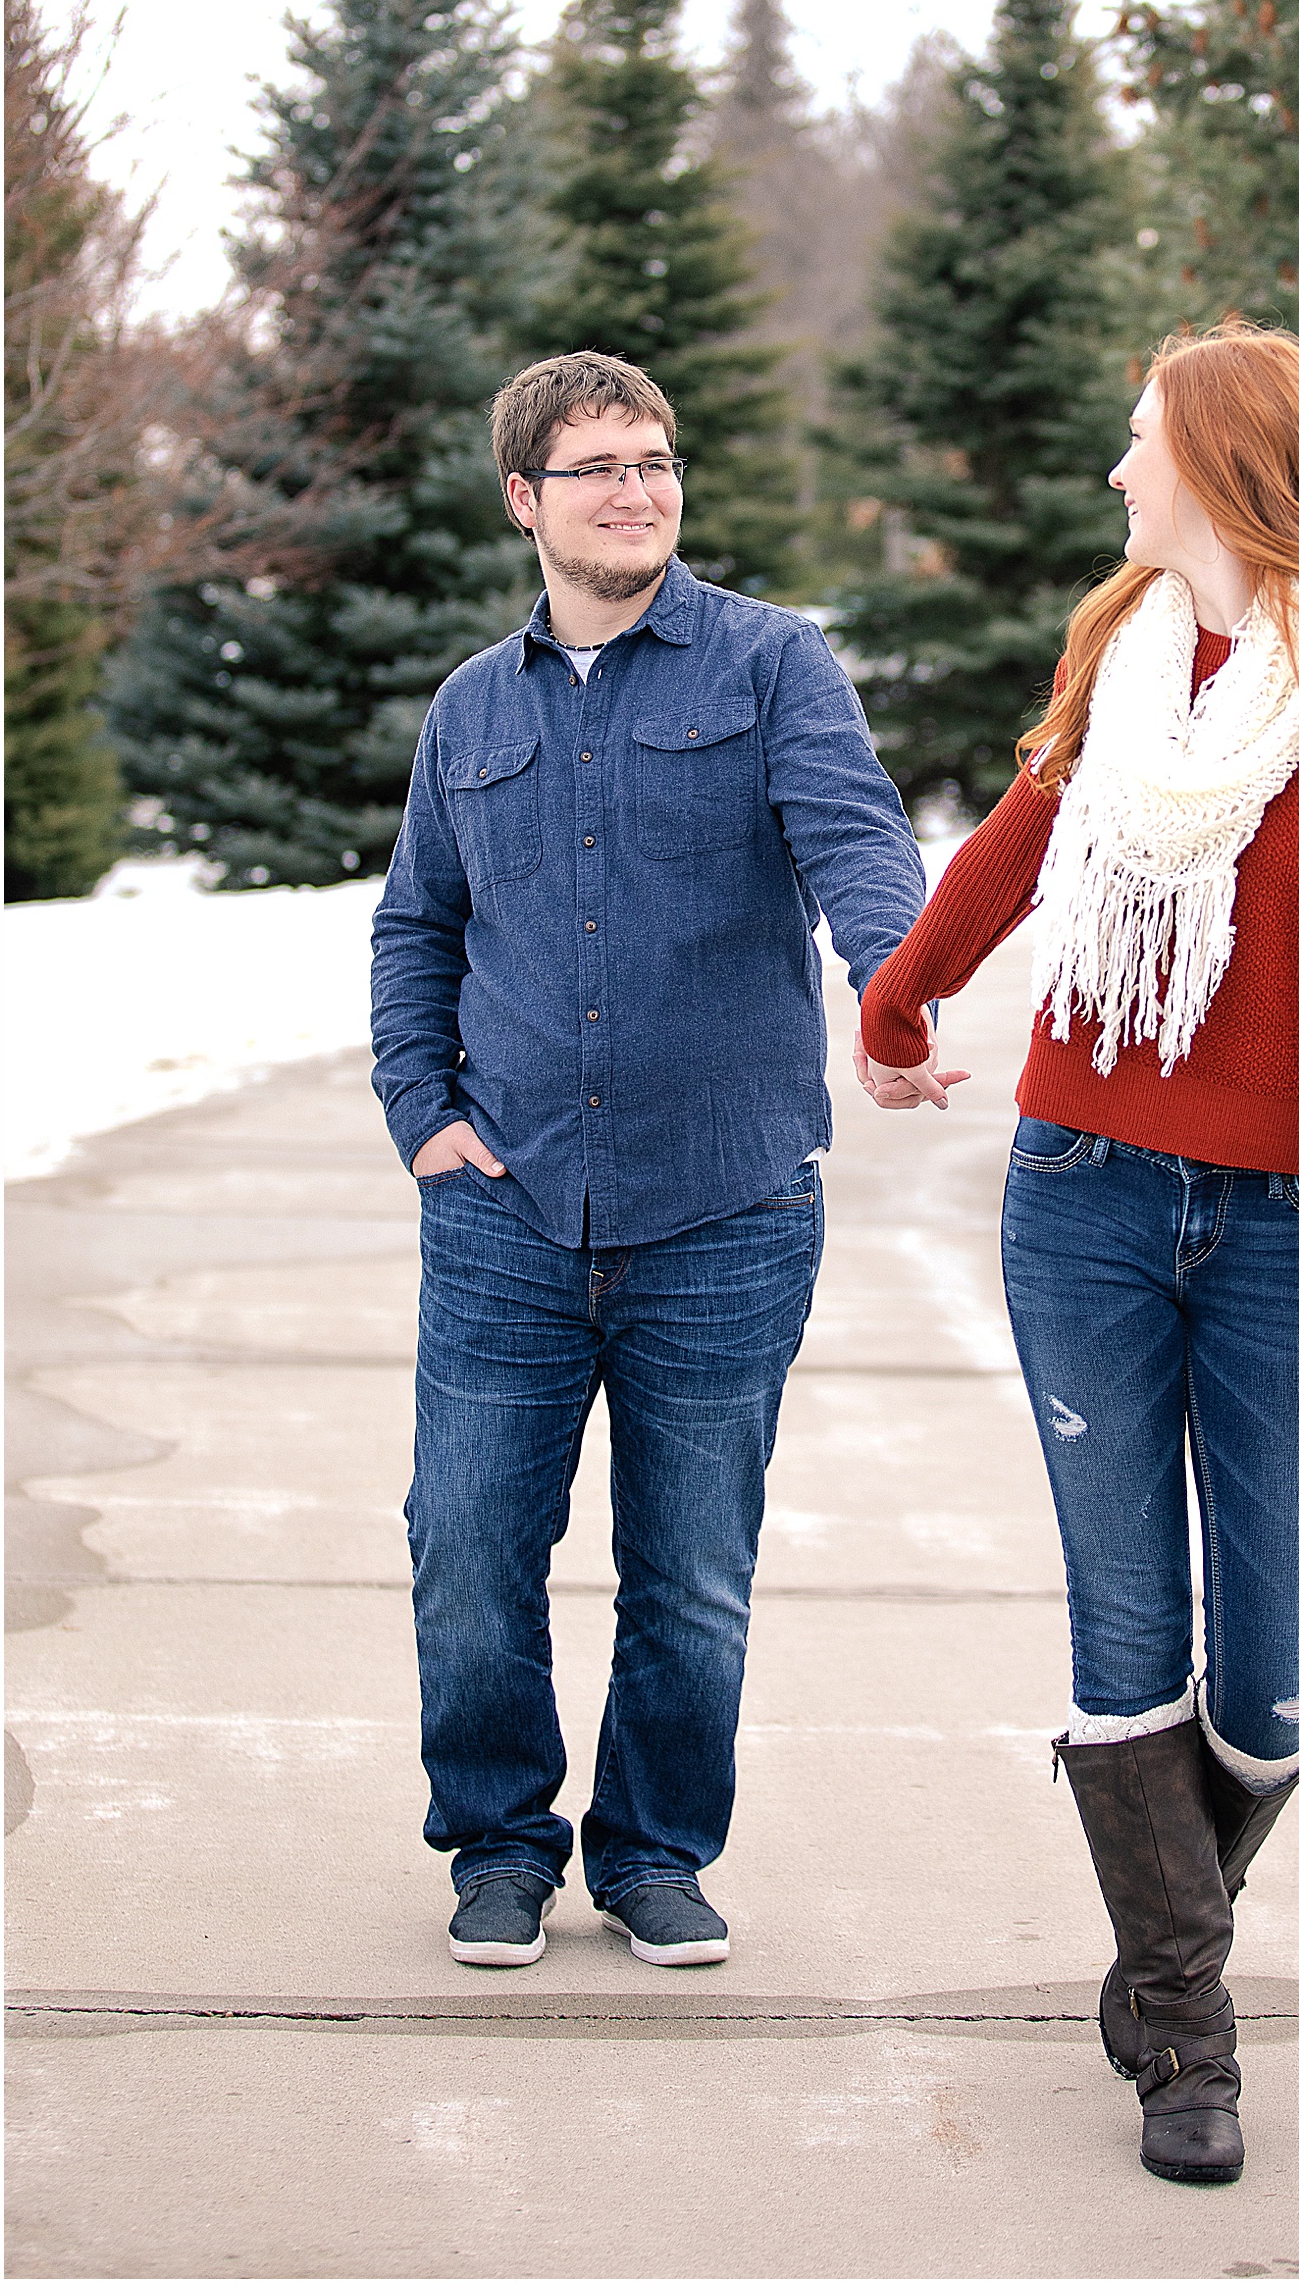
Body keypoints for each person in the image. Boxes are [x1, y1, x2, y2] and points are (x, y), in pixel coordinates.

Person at [855, 322, 1299, 2185]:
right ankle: (1187, 2040)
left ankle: (1157, 1941)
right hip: (1086, 1195)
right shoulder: (1119, 654)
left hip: (1283, 1238)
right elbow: (1025, 842)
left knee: (1272, 1680)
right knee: (1126, 1631)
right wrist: (896, 1003)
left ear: (1220, 458)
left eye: (1143, 443)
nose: (1121, 472)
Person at [370, 348, 927, 1974]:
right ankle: (497, 1841)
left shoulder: (773, 667)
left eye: (657, 459)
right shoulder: (475, 704)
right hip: (507, 1210)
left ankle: (657, 1849)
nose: (638, 487)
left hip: (727, 1210)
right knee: (468, 1548)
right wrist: (423, 1114)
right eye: (599, 464)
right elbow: (418, 918)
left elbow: (857, 842)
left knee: (690, 1569)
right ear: (528, 499)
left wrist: (892, 997)